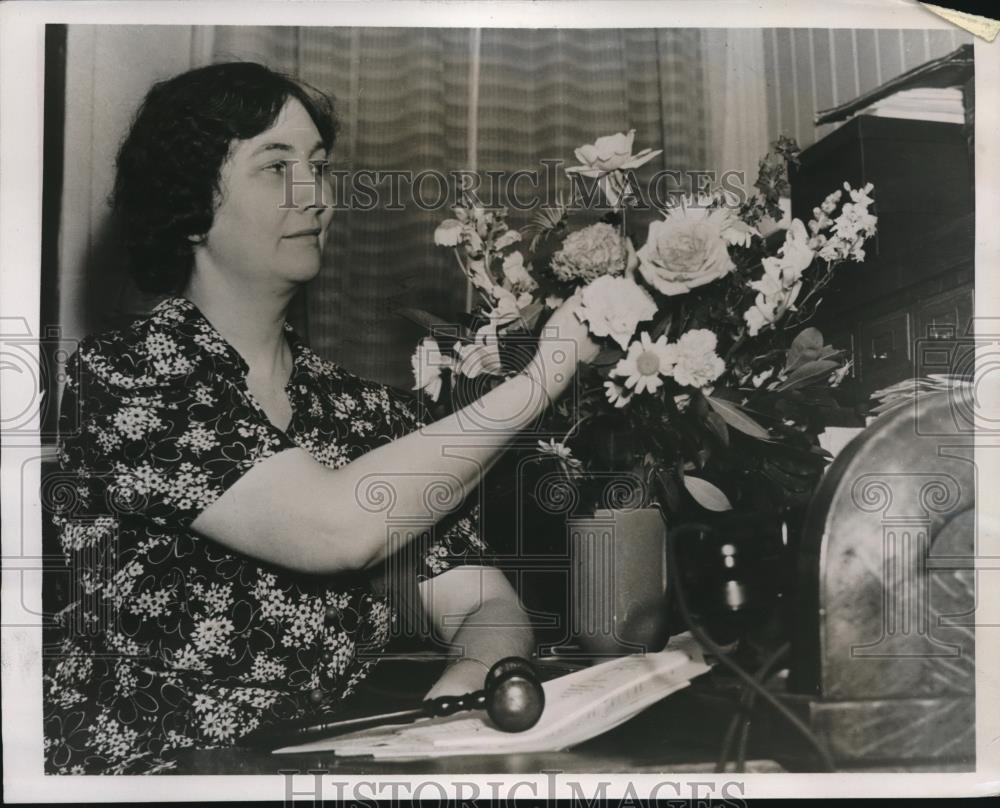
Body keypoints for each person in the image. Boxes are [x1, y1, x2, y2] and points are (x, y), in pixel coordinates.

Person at [42, 62, 599, 774]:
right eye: (275, 167)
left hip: (316, 774)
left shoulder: (362, 410)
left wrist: (458, 699)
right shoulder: (127, 374)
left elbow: (484, 605)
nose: (316, 196)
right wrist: (541, 379)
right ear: (188, 208)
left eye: (319, 166)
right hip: (145, 776)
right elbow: (337, 528)